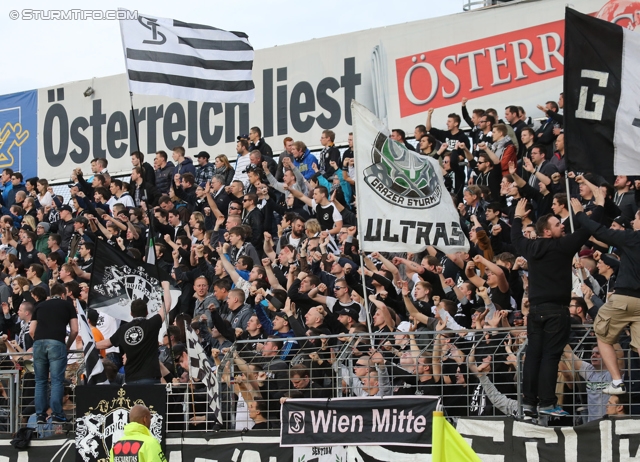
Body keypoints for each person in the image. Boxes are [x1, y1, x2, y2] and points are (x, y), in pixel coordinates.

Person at [511, 198, 590, 416]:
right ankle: (546, 403)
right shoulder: (563, 246)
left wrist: (517, 217)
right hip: (556, 311)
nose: (562, 225)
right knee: (550, 356)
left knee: (534, 354)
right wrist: (583, 212)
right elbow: (587, 231)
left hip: (536, 311)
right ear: (546, 231)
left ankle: (528, 402)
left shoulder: (531, 247)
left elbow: (516, 237)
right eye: (557, 224)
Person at [572, 198, 640, 395]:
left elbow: (600, 231)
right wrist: (604, 257)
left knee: (601, 333)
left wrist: (580, 214)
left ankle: (617, 382)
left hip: (625, 298)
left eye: (636, 218)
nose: (633, 222)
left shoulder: (632, 238)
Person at [96, 281, 171, 384]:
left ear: (131, 313)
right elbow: (166, 306)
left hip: (131, 379)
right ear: (147, 312)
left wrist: (90, 344)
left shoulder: (123, 329)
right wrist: (166, 287)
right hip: (150, 378)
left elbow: (107, 343)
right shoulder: (152, 324)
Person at [30, 283, 78, 423]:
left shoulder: (40, 305)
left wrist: (39, 342)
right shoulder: (67, 305)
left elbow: (32, 330)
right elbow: (74, 330)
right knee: (57, 380)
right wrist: (67, 345)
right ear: (63, 294)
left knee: (40, 381)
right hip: (57, 343)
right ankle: (57, 414)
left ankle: (40, 415)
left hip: (38, 343)